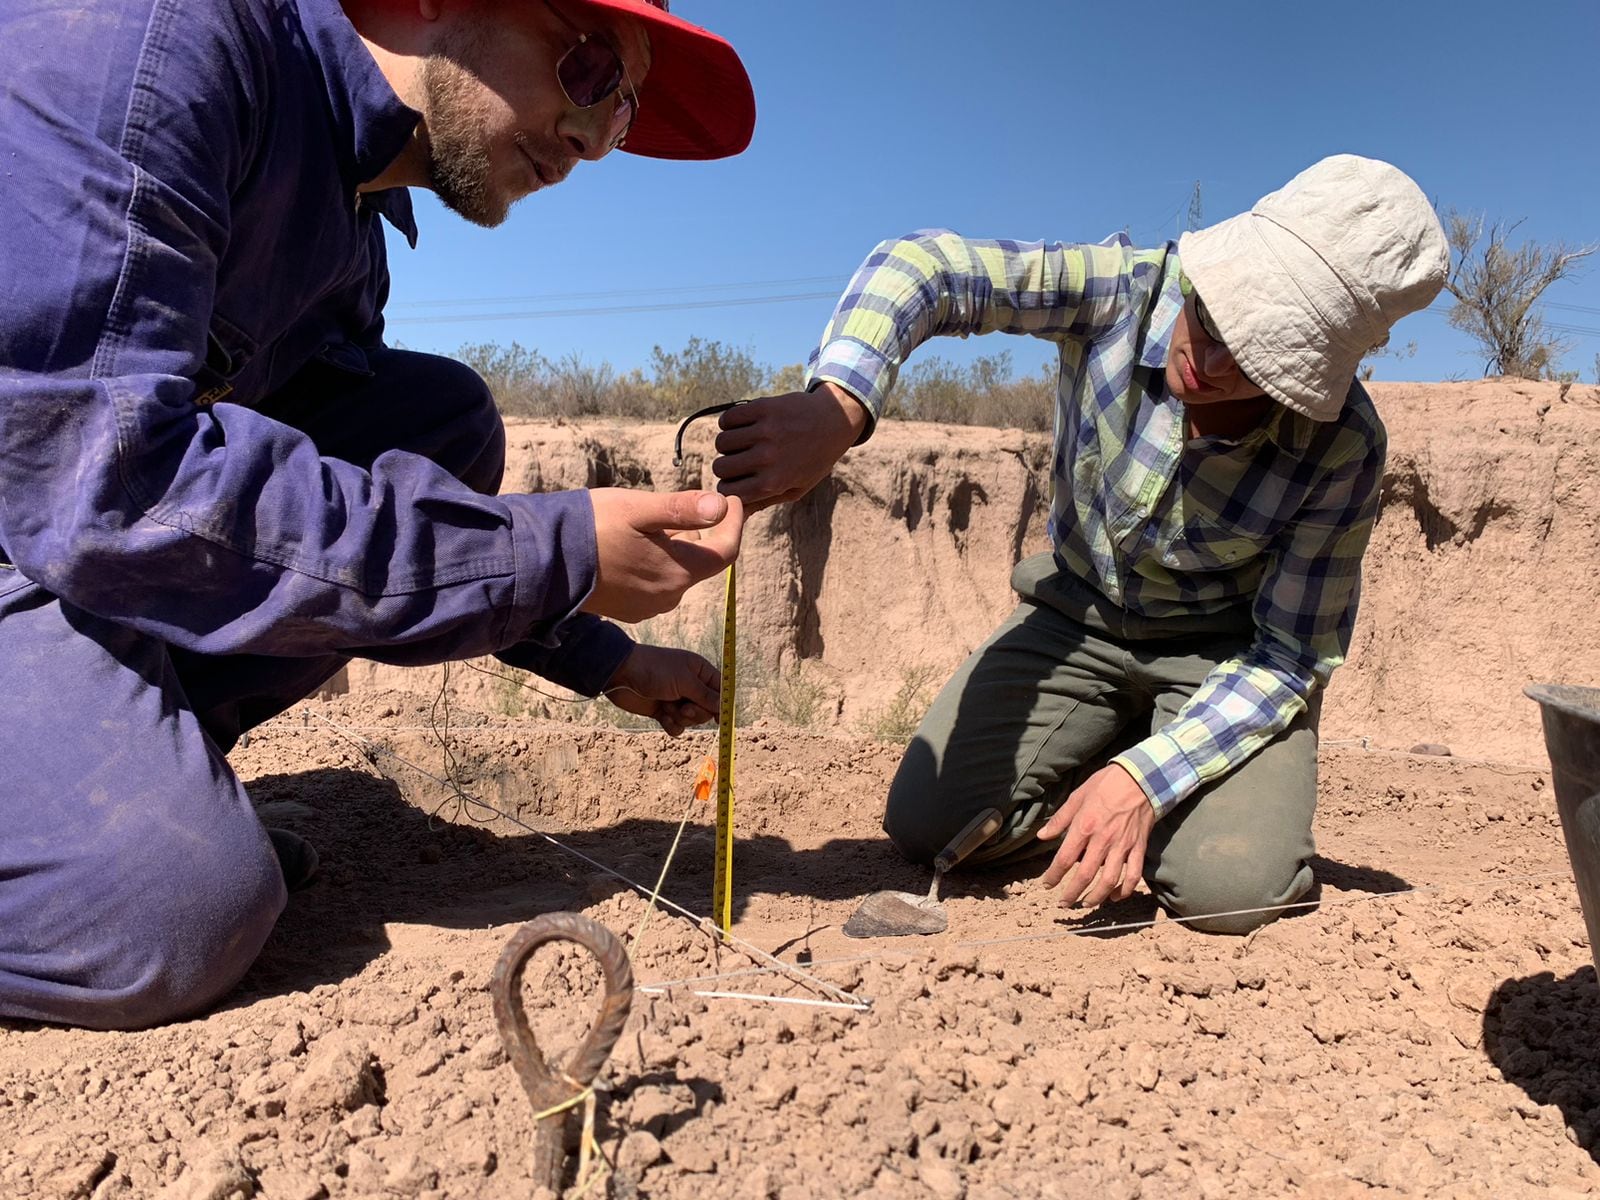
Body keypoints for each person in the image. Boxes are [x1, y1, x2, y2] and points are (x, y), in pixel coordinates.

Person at [0, 0, 755, 1030]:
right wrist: (556, 553)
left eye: (621, 117)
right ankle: (92, 850)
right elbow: (114, 481)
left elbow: (362, 503)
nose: (590, 142)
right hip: (44, 502)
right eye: (586, 70)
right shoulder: (153, 49)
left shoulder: (347, 229)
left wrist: (602, 657)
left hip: (48, 523)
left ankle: (116, 789)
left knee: (439, 422)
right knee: (162, 917)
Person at [712, 155, 1449, 935]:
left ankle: (1155, 761)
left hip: (1219, 662)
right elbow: (924, 265)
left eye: (1263, 359)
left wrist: (1147, 779)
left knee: (1232, 890)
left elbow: (1291, 657)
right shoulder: (1121, 291)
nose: (1215, 360)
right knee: (933, 829)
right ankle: (1110, 745)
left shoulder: (1345, 447)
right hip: (1073, 621)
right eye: (1219, 316)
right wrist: (840, 407)